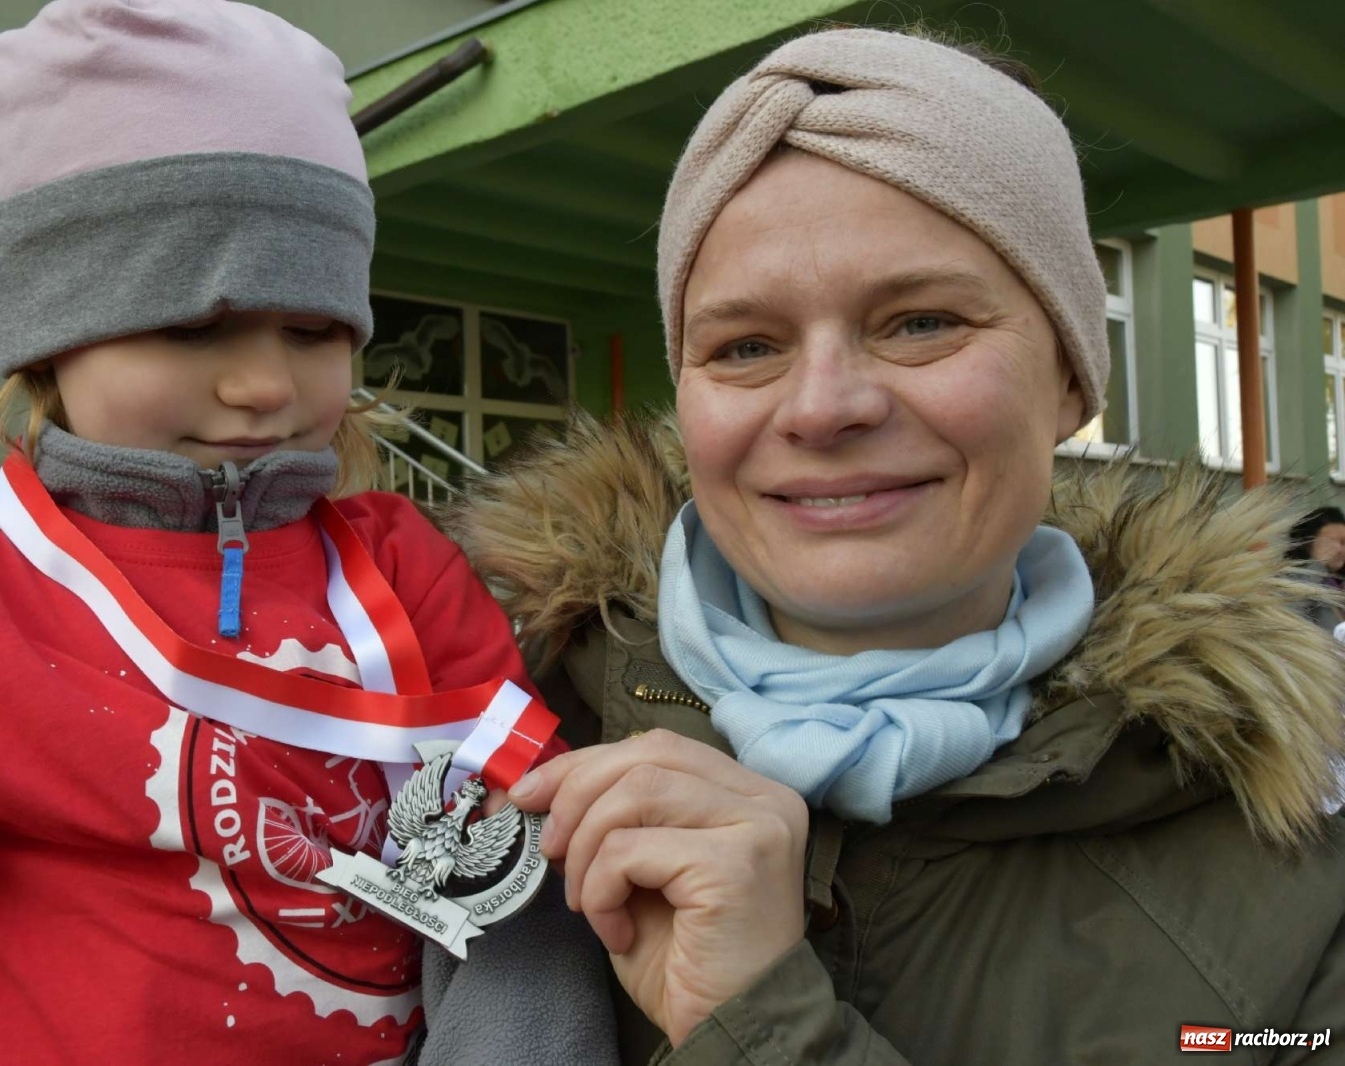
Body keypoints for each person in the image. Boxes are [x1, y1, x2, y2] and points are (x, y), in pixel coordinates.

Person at [449, 27, 1345, 1065]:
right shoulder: (482, 724)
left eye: (920, 323)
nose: (823, 407)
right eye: (745, 346)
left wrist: (760, 1022)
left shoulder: (1293, 860)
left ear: (1068, 378)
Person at [0, 3, 612, 1064]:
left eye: (313, 329)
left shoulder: (405, 572)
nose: (262, 385)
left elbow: (509, 903)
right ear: (51, 339)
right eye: (193, 326)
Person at [1287, 506, 1345, 635]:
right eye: (1332, 541)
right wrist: (1317, 564)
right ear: (1308, 542)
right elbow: (1289, 615)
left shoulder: (1339, 583)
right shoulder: (1289, 578)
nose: (1340, 549)